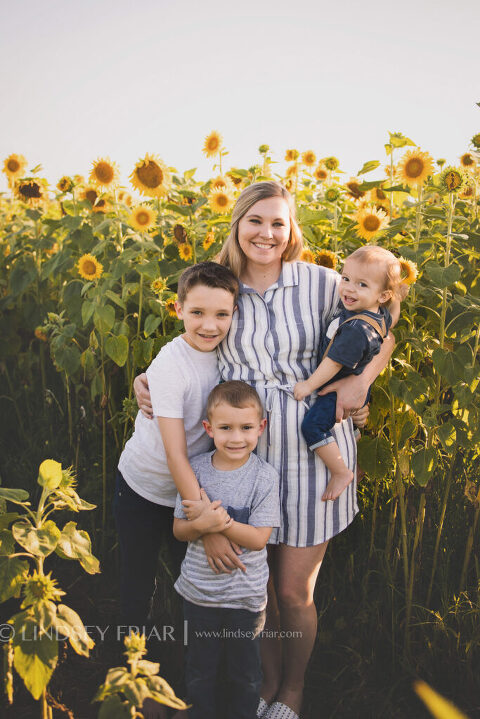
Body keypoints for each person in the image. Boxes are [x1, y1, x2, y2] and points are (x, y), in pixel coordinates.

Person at [134, 181, 395, 719]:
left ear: (291, 229)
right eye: (256, 221)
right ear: (237, 225)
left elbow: (384, 326)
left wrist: (361, 382)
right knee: (257, 589)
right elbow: (189, 345)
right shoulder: (220, 286)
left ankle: (292, 693)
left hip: (311, 450)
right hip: (238, 454)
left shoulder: (324, 283)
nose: (267, 234)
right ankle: (262, 686)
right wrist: (148, 380)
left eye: (278, 223)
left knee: (294, 590)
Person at [114, 261, 240, 631]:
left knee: (193, 581)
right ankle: (130, 660)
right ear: (178, 308)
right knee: (138, 579)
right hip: (144, 487)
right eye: (197, 312)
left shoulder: (225, 353)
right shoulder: (172, 364)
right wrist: (207, 524)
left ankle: (189, 659)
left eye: (222, 314)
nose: (209, 325)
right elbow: (174, 453)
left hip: (187, 492)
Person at [173, 381, 280, 719]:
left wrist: (221, 524)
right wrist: (202, 526)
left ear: (260, 427)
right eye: (226, 428)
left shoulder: (263, 477)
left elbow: (259, 538)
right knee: (200, 672)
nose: (237, 438)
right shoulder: (196, 471)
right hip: (199, 595)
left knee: (245, 676)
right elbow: (179, 530)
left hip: (244, 600)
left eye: (246, 428)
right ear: (209, 428)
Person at [294, 246, 411, 502]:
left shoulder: (356, 329)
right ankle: (354, 446)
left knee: (313, 426)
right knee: (353, 422)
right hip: (358, 384)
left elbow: (333, 363)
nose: (348, 289)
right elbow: (393, 316)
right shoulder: (375, 314)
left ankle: (341, 471)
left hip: (335, 388)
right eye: (345, 279)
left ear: (382, 295)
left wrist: (308, 385)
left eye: (361, 284)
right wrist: (397, 298)